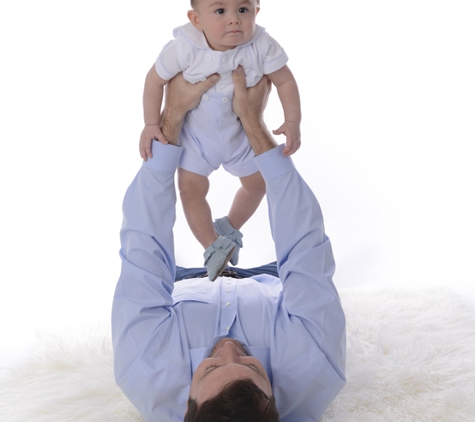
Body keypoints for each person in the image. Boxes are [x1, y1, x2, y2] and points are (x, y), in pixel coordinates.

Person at [112, 68, 345, 421]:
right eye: (252, 366)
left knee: (148, 266)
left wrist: (171, 116)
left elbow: (142, 242)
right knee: (307, 277)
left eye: (210, 368)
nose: (229, 349)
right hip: (273, 288)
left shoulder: (146, 368)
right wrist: (254, 124)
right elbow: (305, 243)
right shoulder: (313, 368)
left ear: (187, 402)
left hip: (180, 288)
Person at [138, 0, 301, 280]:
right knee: (190, 190)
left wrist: (293, 121)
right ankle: (211, 245)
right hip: (196, 138)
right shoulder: (185, 46)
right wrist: (151, 123)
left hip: (239, 135)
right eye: (220, 11)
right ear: (196, 19)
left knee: (259, 182)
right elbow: (154, 81)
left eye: (243, 10)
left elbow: (285, 81)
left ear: (256, 12)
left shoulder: (261, 44)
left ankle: (229, 226)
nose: (234, 19)